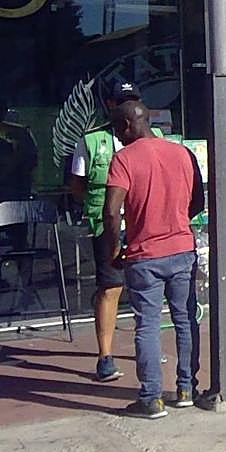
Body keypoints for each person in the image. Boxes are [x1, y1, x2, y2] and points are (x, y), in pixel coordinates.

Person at [101, 101, 204, 419]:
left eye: (117, 129)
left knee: (147, 326)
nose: (118, 136)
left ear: (127, 125)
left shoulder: (124, 158)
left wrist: (114, 248)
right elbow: (198, 200)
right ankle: (186, 389)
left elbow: (111, 211)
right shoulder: (182, 153)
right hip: (182, 249)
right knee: (185, 320)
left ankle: (151, 399)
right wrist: (176, 220)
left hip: (144, 255)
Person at [68, 79, 157, 382]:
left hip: (146, 222)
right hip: (108, 225)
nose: (127, 107)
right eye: (121, 102)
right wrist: (103, 209)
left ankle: (147, 347)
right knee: (111, 287)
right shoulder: (92, 140)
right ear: (109, 106)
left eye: (132, 101)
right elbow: (77, 185)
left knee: (147, 286)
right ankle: (105, 356)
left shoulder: (155, 137)